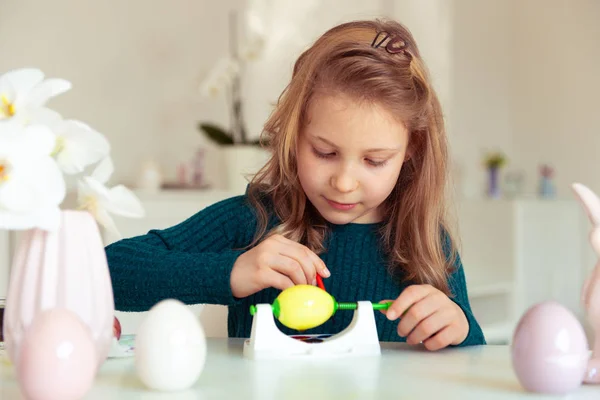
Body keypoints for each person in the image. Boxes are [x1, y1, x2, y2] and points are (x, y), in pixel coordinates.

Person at [105, 19, 486, 350]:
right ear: (294, 134)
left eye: (374, 161)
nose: (344, 182)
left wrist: (459, 328)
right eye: (324, 152)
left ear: (410, 150)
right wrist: (232, 272)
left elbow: (472, 355)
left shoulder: (427, 244)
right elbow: (108, 272)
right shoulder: (254, 219)